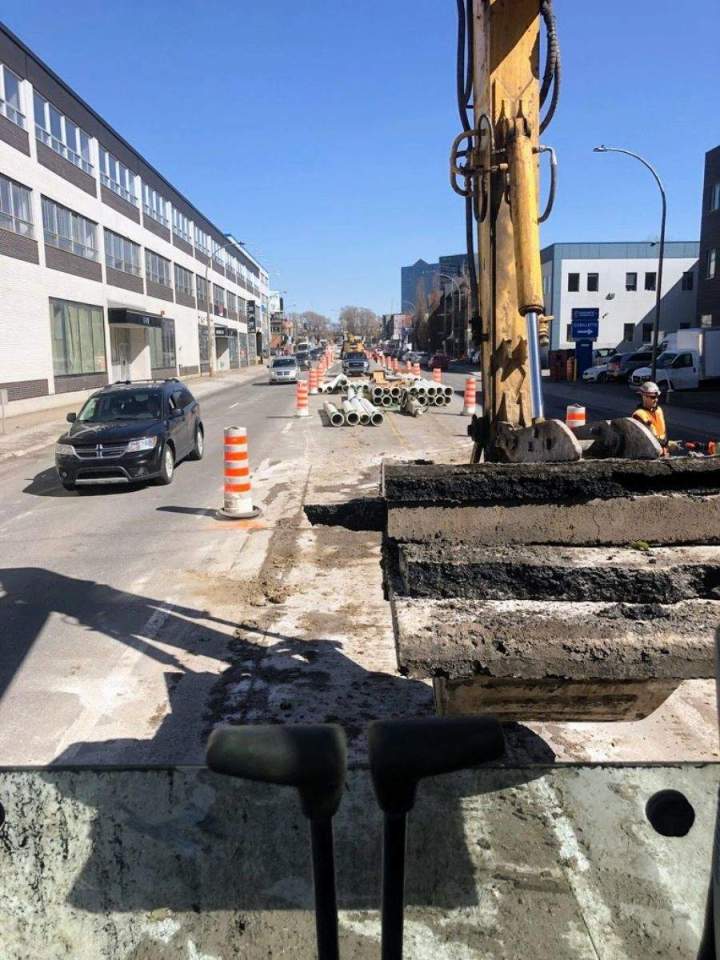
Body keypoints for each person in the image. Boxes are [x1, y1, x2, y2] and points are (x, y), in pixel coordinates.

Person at [632, 381, 668, 455]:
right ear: (644, 397)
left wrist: (666, 445)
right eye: (653, 397)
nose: (656, 399)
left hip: (662, 451)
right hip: (650, 454)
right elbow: (648, 438)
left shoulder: (659, 410)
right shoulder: (639, 415)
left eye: (657, 397)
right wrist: (664, 445)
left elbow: (663, 431)